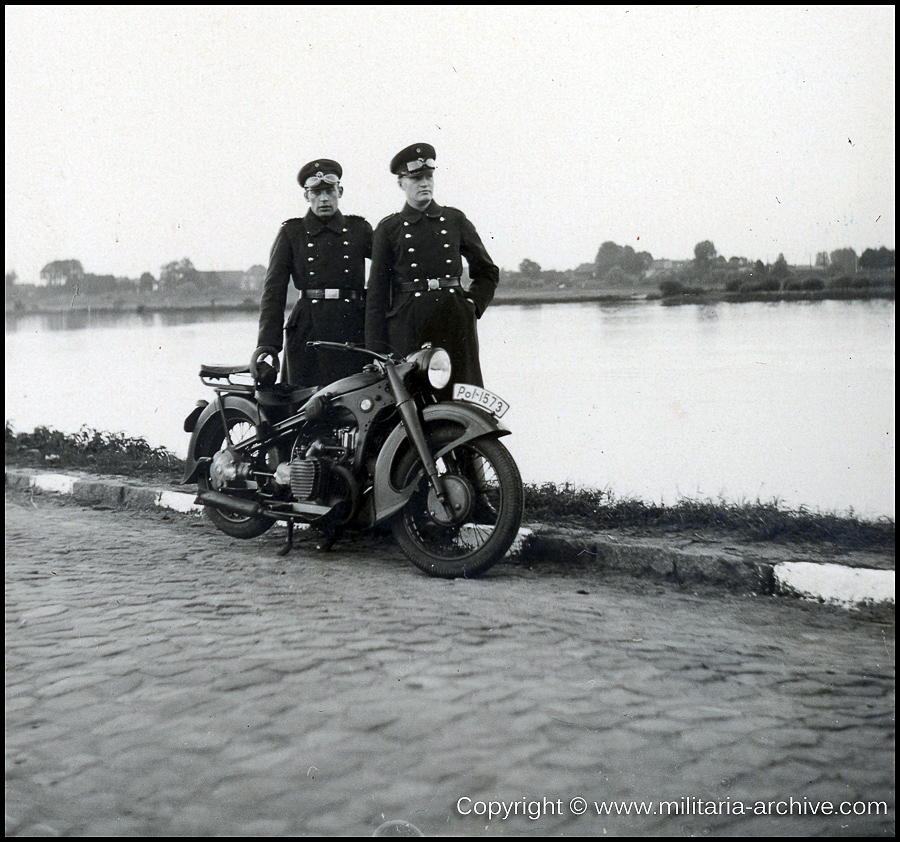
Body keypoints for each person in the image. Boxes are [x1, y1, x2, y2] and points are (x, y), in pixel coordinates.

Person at [364, 143, 499, 393]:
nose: (424, 183)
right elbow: (376, 294)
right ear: (401, 183)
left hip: (455, 322)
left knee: (463, 398)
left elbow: (487, 271)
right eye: (416, 178)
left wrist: (472, 306)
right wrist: (376, 349)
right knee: (413, 403)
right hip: (408, 326)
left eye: (429, 177)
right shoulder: (389, 228)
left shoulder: (454, 220)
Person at [253, 159, 373, 387]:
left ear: (340, 191)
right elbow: (274, 290)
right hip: (308, 329)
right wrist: (268, 343)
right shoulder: (292, 232)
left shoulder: (360, 229)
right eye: (316, 192)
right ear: (306, 196)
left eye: (329, 191)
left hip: (354, 326)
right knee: (305, 404)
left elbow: (392, 268)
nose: (324, 198)